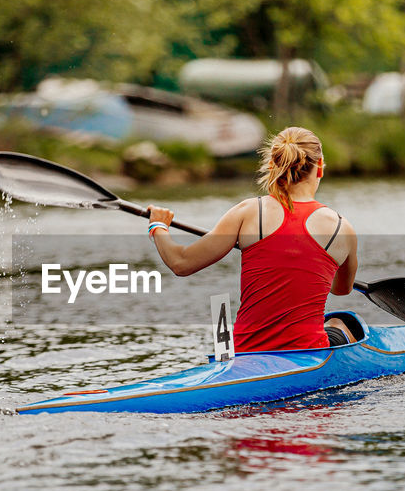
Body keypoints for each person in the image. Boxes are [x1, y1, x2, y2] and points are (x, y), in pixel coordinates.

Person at [145, 126, 359, 351]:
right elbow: (341, 289)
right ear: (320, 169)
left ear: (271, 166)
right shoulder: (342, 228)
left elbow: (181, 263)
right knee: (343, 323)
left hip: (245, 350)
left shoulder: (247, 212)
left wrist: (158, 226)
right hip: (308, 351)